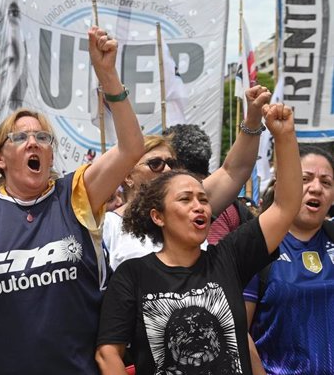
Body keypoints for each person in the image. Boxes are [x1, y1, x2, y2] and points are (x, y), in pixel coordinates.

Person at [0, 27, 144, 375]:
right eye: (21, 137)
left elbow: (132, 147)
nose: (34, 142)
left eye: (42, 137)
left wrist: (108, 77)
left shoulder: (74, 195)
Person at [95, 102, 302, 375]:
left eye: (204, 199)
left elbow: (284, 207)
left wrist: (285, 137)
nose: (200, 206)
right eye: (186, 199)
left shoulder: (229, 258)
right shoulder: (134, 275)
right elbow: (107, 356)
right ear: (157, 216)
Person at [103, 85, 272, 271]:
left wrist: (253, 120)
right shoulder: (107, 227)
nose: (167, 169)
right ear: (127, 176)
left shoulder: (191, 205)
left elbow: (234, 171)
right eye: (156, 163)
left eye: (172, 163)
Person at [244, 144, 334, 375]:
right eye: (306, 178)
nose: (316, 188)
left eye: (327, 182)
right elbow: (237, 334)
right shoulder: (259, 248)